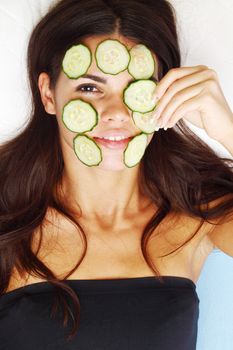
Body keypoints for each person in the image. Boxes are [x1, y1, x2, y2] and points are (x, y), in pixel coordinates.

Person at [0, 0, 233, 349]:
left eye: (136, 89)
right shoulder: (8, 217)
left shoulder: (198, 213)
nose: (116, 113)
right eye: (90, 88)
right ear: (49, 94)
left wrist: (228, 131)